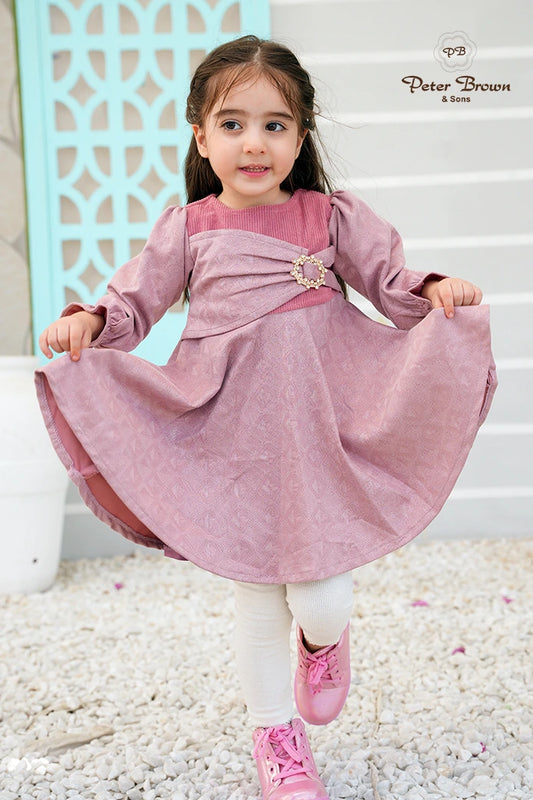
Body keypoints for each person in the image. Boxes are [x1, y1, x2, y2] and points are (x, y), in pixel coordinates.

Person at [36, 35, 496, 800]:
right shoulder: (188, 229)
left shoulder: (327, 217)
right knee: (256, 597)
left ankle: (323, 639)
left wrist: (433, 292)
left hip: (322, 427)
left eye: (274, 125)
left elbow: (389, 281)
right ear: (200, 136)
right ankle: (276, 740)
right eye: (232, 124)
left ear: (301, 136)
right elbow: (133, 303)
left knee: (320, 593)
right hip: (233, 436)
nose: (254, 143)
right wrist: (90, 322)